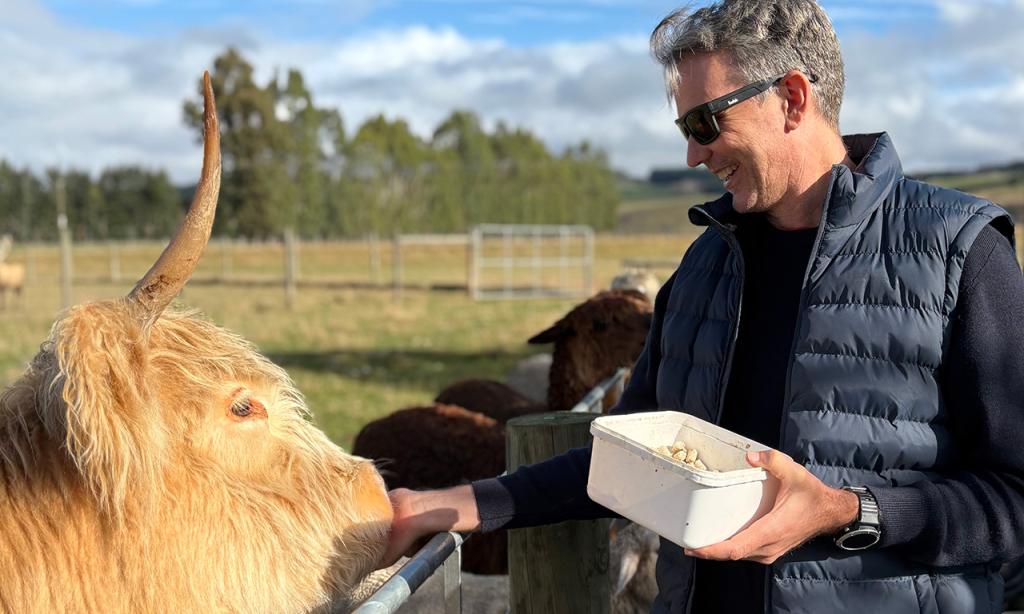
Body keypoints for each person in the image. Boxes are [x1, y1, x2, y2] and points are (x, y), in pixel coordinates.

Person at [381, 1, 1024, 611]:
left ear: (792, 99)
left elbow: (1013, 497)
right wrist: (462, 503)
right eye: (685, 129)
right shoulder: (702, 268)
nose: (692, 154)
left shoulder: (958, 251)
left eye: (705, 123)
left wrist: (849, 512)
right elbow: (630, 462)